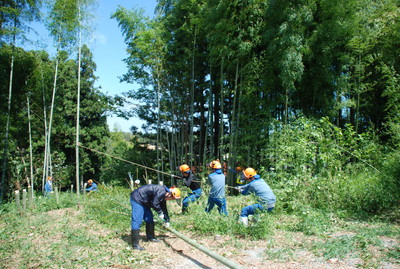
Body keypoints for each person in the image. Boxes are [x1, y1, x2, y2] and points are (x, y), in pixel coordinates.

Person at [130, 184, 181, 251]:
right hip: (137, 198)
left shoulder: (164, 195)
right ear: (169, 194)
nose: (170, 200)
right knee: (137, 220)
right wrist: (160, 213)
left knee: (149, 218)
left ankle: (150, 237)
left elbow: (163, 208)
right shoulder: (161, 192)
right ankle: (135, 245)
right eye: (171, 199)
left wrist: (167, 220)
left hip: (145, 201)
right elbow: (155, 203)